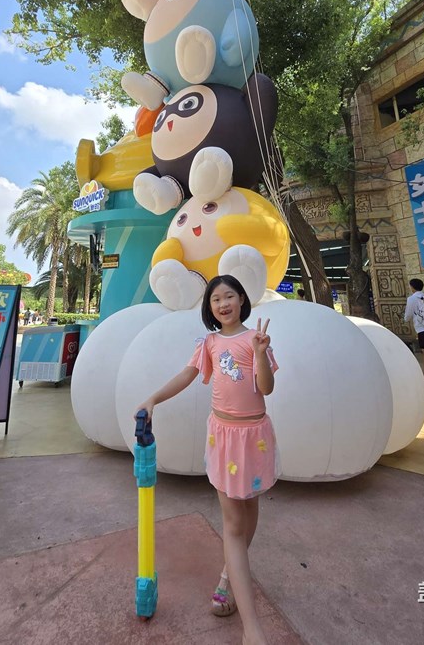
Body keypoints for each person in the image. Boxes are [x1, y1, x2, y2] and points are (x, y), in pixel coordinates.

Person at [135, 274, 278, 645]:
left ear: (242, 299)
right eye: (216, 299)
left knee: (249, 513)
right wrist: (153, 399)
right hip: (224, 438)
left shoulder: (256, 339)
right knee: (233, 524)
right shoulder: (210, 343)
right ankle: (252, 628)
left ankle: (228, 578)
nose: (223, 303)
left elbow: (266, 388)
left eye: (229, 296)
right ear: (209, 307)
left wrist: (260, 354)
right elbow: (187, 375)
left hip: (254, 438)